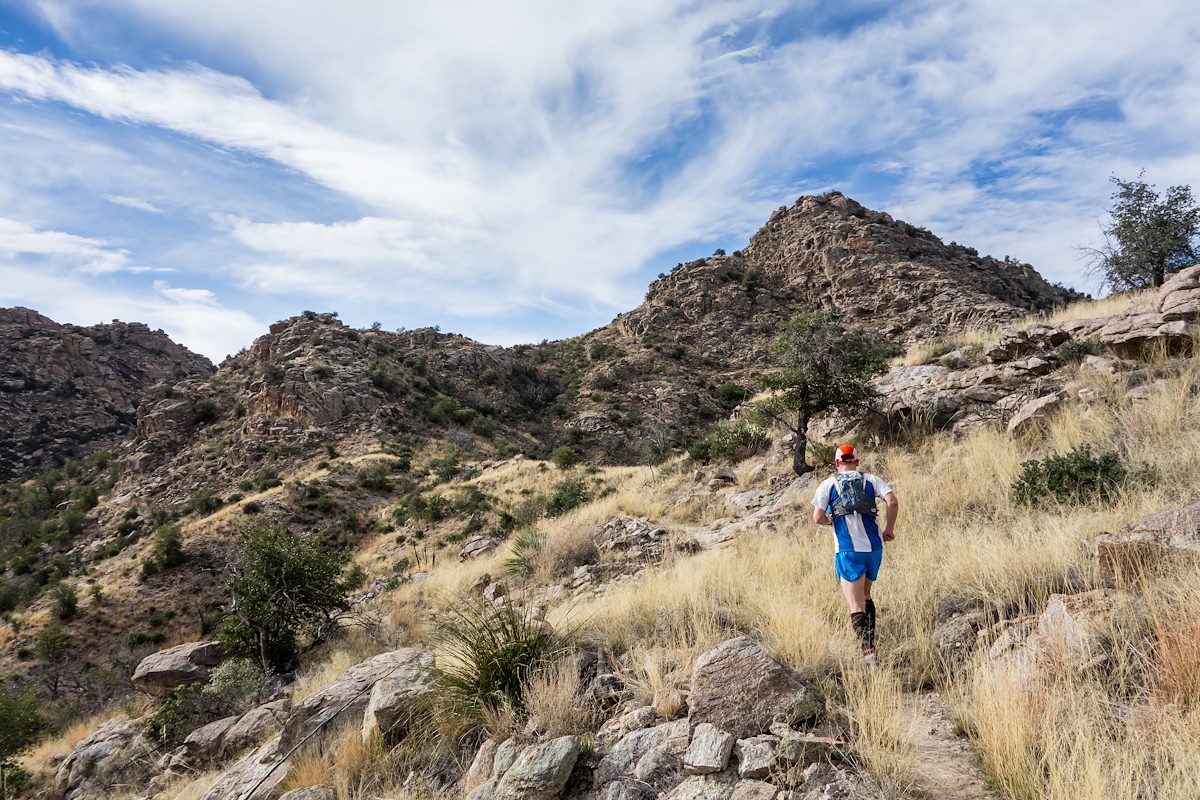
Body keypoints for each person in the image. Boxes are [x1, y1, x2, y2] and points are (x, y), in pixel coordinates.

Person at [811, 444, 899, 669]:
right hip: (874, 548)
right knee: (867, 596)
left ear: (837, 462)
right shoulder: (871, 479)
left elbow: (817, 517)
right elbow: (892, 501)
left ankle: (870, 659)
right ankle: (872, 648)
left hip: (848, 550)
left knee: (856, 605)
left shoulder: (828, 484)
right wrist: (888, 529)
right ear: (857, 461)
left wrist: (833, 522)